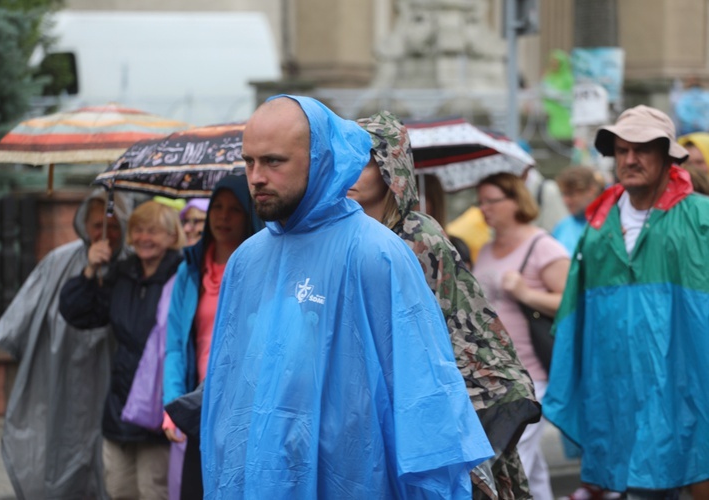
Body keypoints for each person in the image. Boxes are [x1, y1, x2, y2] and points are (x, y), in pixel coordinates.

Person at [200, 95, 493, 498]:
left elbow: (423, 397)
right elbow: (226, 394)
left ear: (319, 157)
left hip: (352, 479)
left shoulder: (378, 254)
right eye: (249, 162)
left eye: (274, 161)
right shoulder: (246, 262)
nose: (256, 177)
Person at [350, 111, 541, 499]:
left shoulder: (419, 236)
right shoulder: (333, 237)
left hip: (425, 402)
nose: (351, 170)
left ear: (390, 167)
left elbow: (457, 324)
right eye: (346, 158)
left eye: (366, 160)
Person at [543, 105, 709, 498]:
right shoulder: (598, 230)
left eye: (642, 149)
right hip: (622, 399)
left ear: (668, 155)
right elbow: (576, 319)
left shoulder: (700, 219)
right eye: (621, 150)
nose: (630, 159)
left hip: (691, 393)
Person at [0, 190, 131, 500]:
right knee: (59, 450)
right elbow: (19, 325)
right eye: (97, 224)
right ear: (83, 224)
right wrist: (89, 271)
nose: (104, 233)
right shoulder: (58, 261)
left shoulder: (135, 264)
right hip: (60, 378)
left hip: (115, 385)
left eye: (113, 224)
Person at [59, 200, 185, 500]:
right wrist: (90, 269)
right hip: (120, 408)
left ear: (171, 236)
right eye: (139, 230)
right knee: (118, 490)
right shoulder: (122, 274)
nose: (144, 238)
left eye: (153, 231)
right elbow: (78, 313)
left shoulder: (182, 276)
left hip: (159, 409)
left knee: (154, 491)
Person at [163, 174, 263, 499]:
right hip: (201, 403)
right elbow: (175, 345)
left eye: (234, 209)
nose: (222, 216)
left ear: (249, 213)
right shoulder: (189, 270)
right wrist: (171, 403)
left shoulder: (263, 268)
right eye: (217, 207)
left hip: (245, 401)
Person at [472, 172, 571, 500]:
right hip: (495, 374)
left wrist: (526, 293)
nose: (483, 208)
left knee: (515, 460)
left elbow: (571, 302)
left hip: (531, 374)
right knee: (530, 464)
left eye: (491, 200)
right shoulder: (486, 248)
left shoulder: (542, 246)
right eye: (480, 201)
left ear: (515, 201)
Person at [551, 166, 604, 255]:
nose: (566, 201)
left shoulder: (608, 224)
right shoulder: (561, 226)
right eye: (563, 194)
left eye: (571, 194)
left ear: (591, 190)